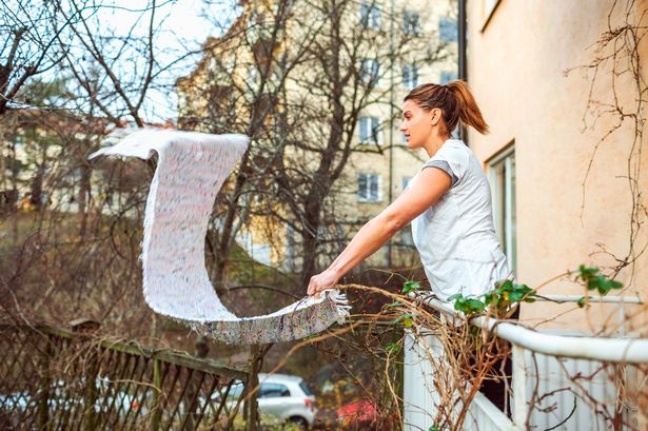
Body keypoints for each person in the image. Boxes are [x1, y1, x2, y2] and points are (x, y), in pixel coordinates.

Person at [306, 80, 515, 413]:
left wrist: (333, 272)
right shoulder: (439, 165)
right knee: (484, 410)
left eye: (408, 115)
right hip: (469, 303)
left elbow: (390, 221)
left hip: (483, 299)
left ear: (434, 116)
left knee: (491, 412)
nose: (402, 125)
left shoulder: (451, 159)